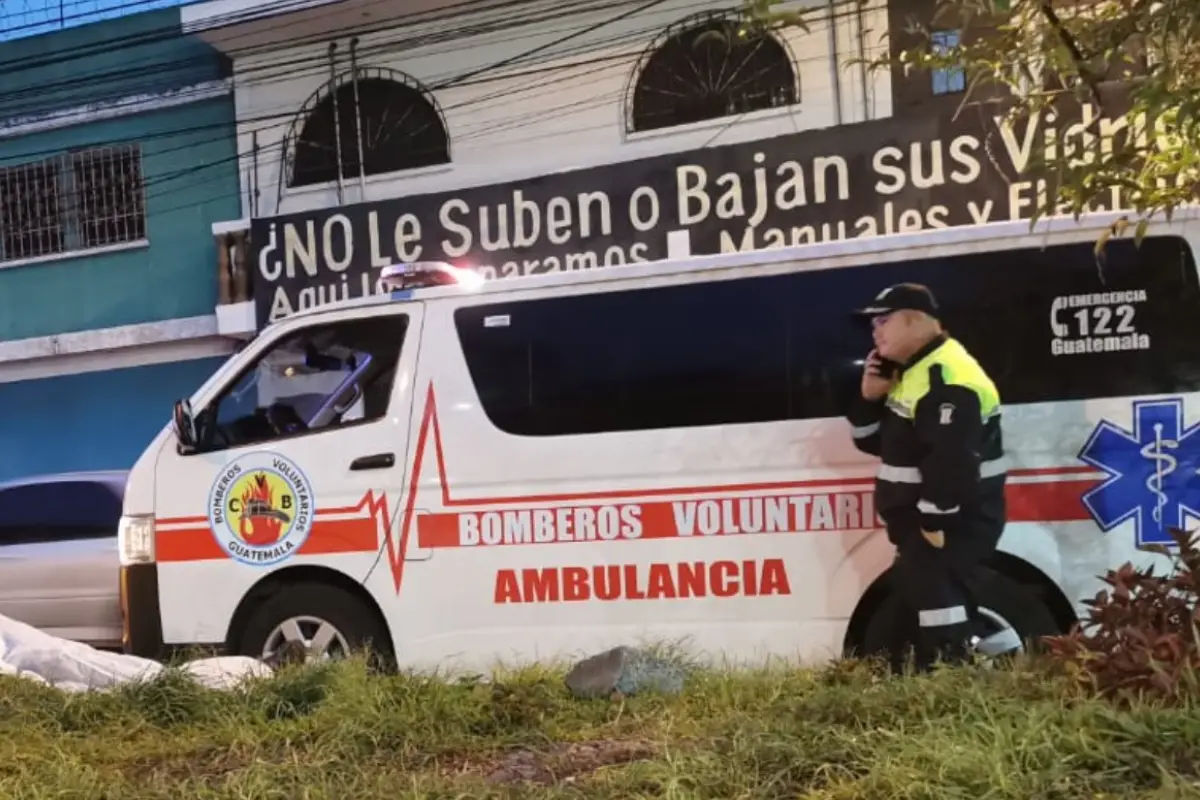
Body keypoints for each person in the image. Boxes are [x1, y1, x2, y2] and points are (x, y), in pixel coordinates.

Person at [845, 283, 1007, 673]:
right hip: (925, 522)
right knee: (935, 603)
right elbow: (872, 443)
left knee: (941, 610)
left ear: (915, 320)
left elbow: (951, 464)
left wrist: (933, 521)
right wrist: (870, 397)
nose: (875, 331)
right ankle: (993, 670)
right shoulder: (913, 372)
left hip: (947, 521)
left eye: (884, 320)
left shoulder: (944, 377)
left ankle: (954, 687)